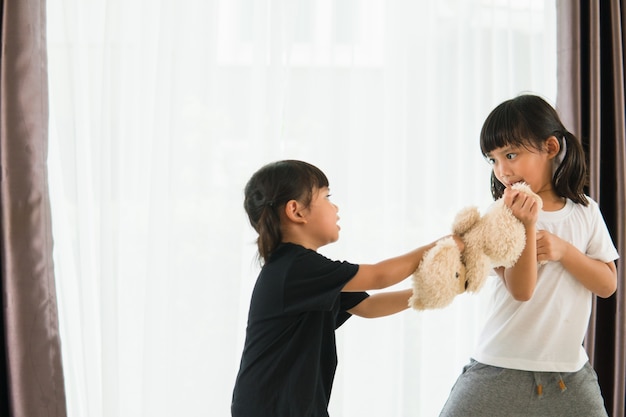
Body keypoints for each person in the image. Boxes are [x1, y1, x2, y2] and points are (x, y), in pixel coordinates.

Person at [231, 159, 462, 417]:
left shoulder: (307, 273)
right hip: (271, 408)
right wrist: (444, 246)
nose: (336, 207)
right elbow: (379, 276)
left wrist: (440, 289)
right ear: (296, 211)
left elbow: (367, 306)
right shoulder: (294, 269)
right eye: (327, 197)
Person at [439, 94, 619, 417]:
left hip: (568, 374)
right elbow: (521, 291)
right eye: (493, 160)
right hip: (499, 367)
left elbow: (608, 284)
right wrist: (528, 222)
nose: (502, 171)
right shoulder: (499, 216)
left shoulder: (586, 212)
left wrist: (564, 251)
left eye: (510, 154)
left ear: (550, 148)